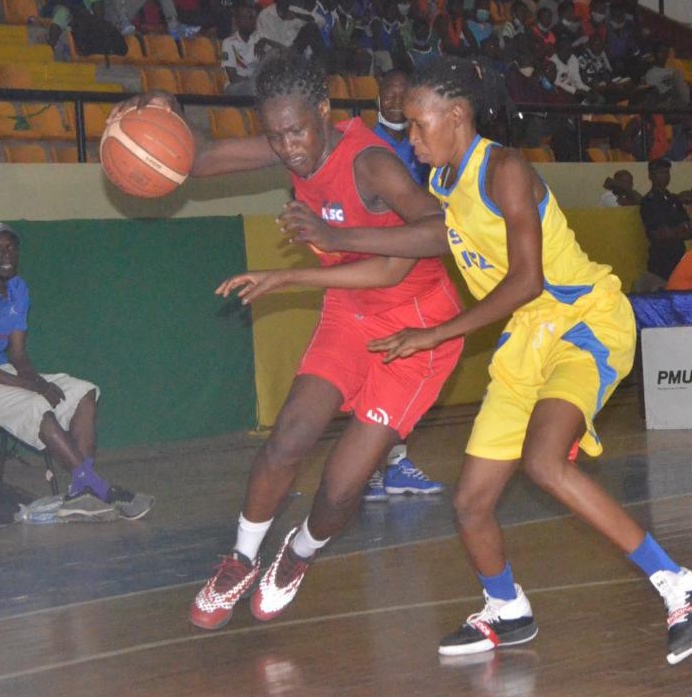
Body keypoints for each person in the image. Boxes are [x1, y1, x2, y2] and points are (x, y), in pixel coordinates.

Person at [282, 56, 692, 665]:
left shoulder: (505, 169)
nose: (411, 139)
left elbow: (526, 280)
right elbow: (425, 240)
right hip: (526, 340)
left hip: (583, 320)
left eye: (418, 125)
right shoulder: (444, 184)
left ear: (456, 116)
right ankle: (506, 609)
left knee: (543, 462)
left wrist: (436, 334)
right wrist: (336, 238)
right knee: (470, 502)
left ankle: (683, 588)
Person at [114, 53, 466, 630]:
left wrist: (332, 238)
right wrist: (163, 110)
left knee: (342, 487)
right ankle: (239, 560)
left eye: (296, 131)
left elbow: (442, 233)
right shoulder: (288, 143)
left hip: (416, 328)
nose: (288, 148)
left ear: (323, 111)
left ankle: (299, 553)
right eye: (275, 136)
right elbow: (195, 158)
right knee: (288, 439)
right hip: (351, 309)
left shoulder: (372, 163)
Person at [0, 223, 153, 520]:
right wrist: (31, 387)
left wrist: (36, 380)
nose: (7, 254)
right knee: (35, 403)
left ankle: (79, 490)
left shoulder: (18, 289)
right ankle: (97, 487)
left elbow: (18, 355)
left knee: (83, 391)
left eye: (11, 247)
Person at [364, 68, 446, 502]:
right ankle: (370, 467)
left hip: (417, 262)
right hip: (377, 263)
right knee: (376, 362)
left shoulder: (424, 140)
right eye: (389, 92)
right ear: (378, 96)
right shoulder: (365, 143)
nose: (395, 98)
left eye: (403, 92)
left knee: (406, 360)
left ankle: (393, 463)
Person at [638, 157, 692, 292]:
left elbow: (689, 231)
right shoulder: (649, 201)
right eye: (660, 172)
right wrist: (678, 230)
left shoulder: (673, 199)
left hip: (678, 258)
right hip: (660, 262)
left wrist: (672, 232)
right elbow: (658, 234)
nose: (665, 176)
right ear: (651, 176)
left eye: (667, 172)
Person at [221, 2, 263, 96]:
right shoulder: (228, 42)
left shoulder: (260, 40)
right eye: (244, 18)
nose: (249, 21)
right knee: (254, 89)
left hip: (255, 85)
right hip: (235, 86)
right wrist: (253, 82)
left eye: (251, 18)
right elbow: (232, 76)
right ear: (237, 21)